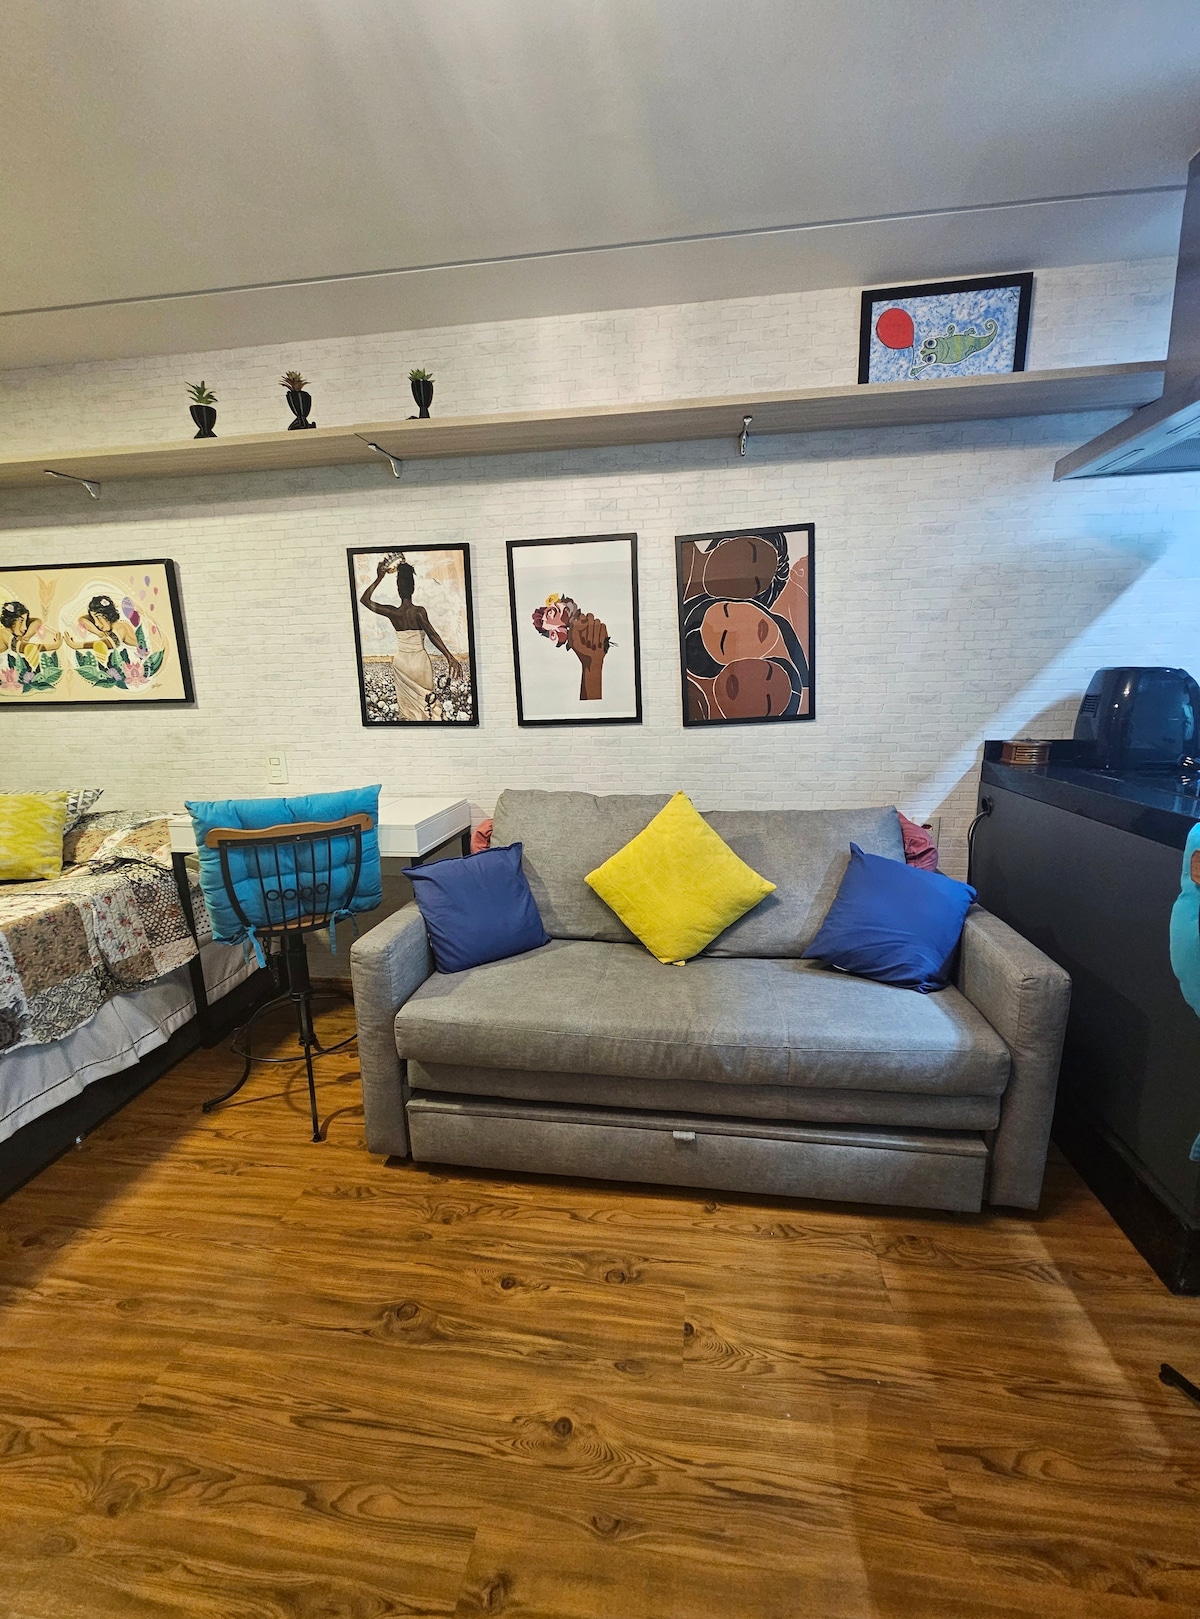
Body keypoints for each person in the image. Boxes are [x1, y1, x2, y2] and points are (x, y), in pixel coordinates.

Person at [360, 556, 463, 722]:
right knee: (427, 707)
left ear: (398, 589)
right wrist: (449, 657)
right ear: (413, 588)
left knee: (407, 714)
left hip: (401, 664)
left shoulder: (393, 613)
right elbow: (432, 634)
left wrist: (379, 577)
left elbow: (364, 600)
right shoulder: (419, 612)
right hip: (420, 663)